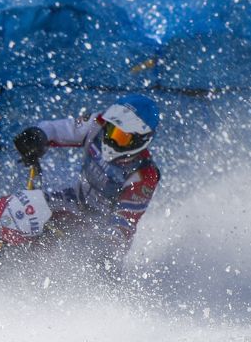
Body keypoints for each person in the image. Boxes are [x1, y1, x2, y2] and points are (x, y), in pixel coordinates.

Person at [13, 92, 161, 265]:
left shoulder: (144, 174)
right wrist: (38, 135)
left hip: (98, 229)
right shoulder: (99, 124)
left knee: (60, 247)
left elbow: (124, 223)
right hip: (74, 199)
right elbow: (60, 129)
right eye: (111, 130)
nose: (110, 139)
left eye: (121, 137)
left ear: (139, 140)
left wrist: (105, 247)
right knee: (18, 206)